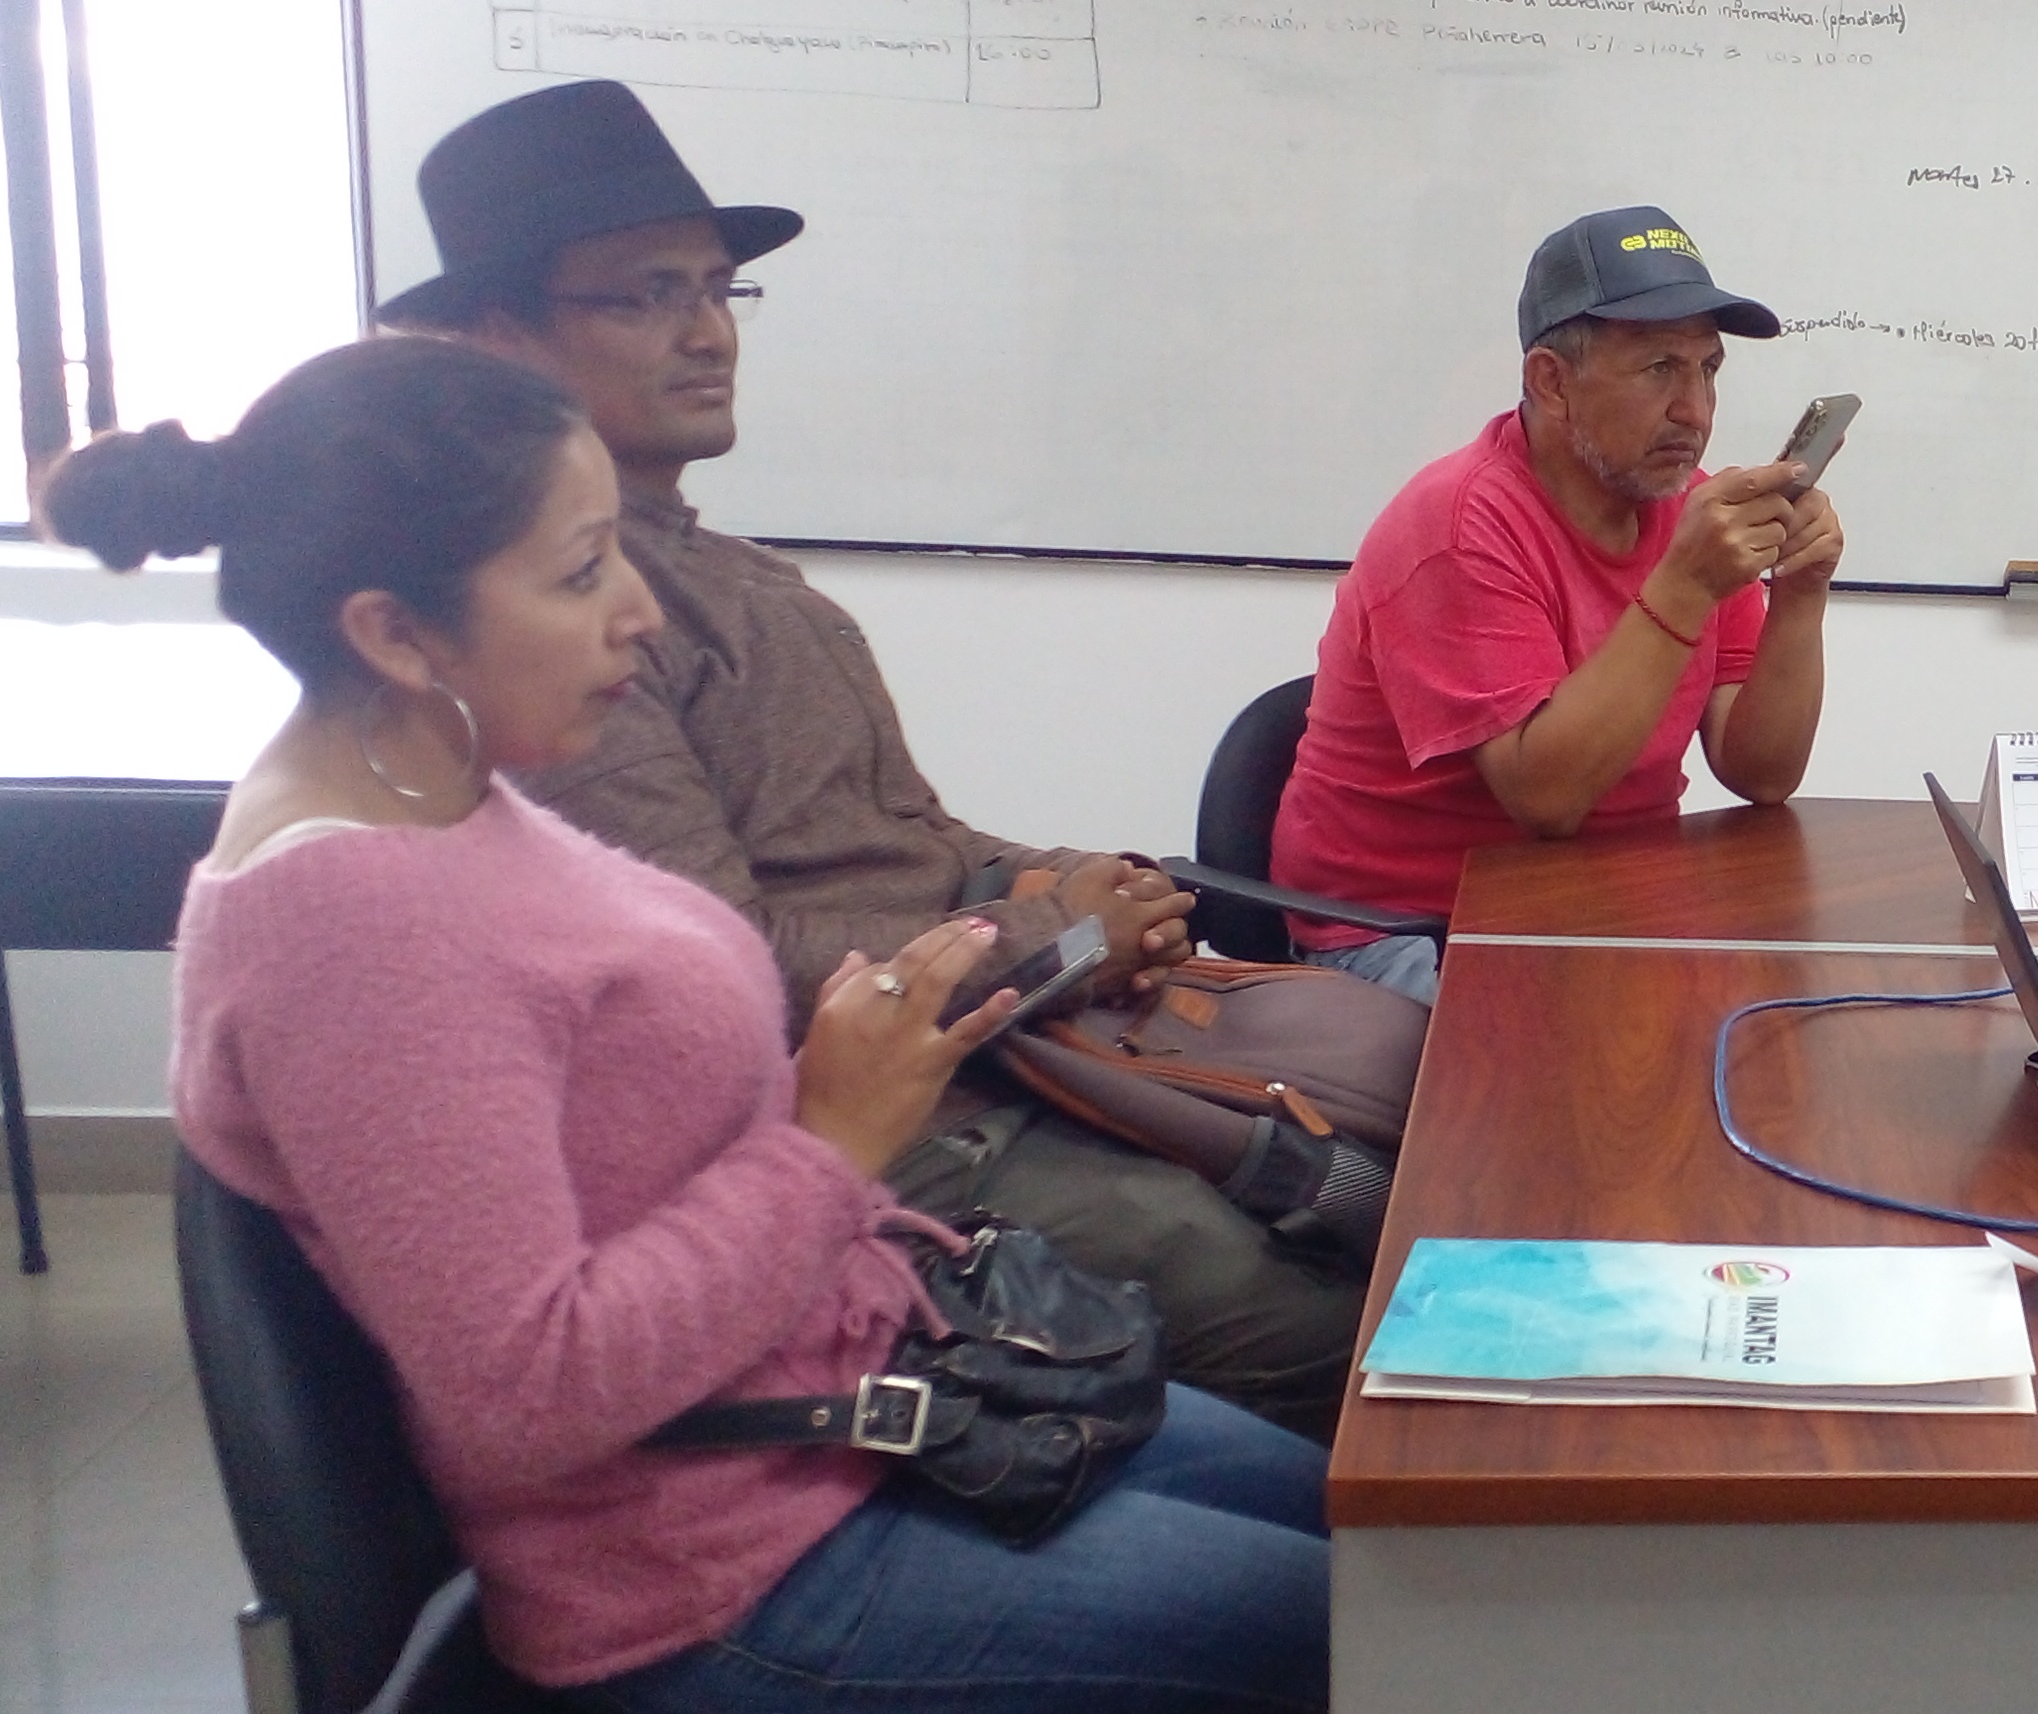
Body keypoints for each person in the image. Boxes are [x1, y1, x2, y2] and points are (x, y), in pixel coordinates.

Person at [58, 335, 1328, 1714]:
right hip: (721, 1577)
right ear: (396, 633)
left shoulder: (444, 791)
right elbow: (528, 1392)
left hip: (866, 1413)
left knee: (1386, 1542)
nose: (639, 612)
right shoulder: (352, 929)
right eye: (581, 572)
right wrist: (831, 1139)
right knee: (1368, 1632)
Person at [371, 80, 1375, 1440]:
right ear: (500, 336)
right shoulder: (555, 641)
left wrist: (1079, 877)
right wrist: (1052, 936)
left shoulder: (744, 582)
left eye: (717, 288)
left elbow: (911, 834)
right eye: (647, 294)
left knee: (1387, 1189)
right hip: (880, 1126)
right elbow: (720, 969)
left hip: (996, 1049)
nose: (707, 331)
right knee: (1347, 1327)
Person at [1265, 205, 1842, 1005]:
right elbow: (1547, 797)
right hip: (1410, 927)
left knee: (1780, 1028)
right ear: (1551, 382)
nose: (1697, 411)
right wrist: (1682, 588)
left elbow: (1762, 774)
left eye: (1708, 369)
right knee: (1579, 1074)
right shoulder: (1458, 525)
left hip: (1598, 903)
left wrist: (1801, 596)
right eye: (1659, 369)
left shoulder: (1687, 506)